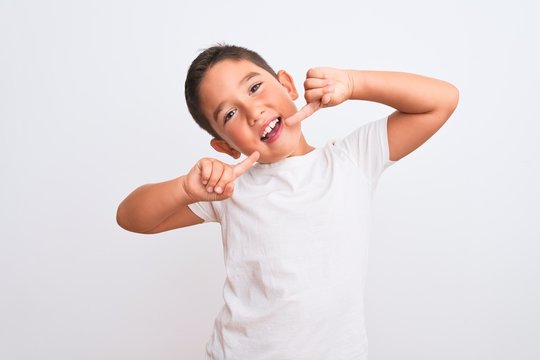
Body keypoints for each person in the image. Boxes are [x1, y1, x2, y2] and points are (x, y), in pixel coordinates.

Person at [116, 44, 459, 359]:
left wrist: (354, 83)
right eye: (230, 115)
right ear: (225, 147)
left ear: (288, 85)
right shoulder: (228, 190)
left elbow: (441, 100)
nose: (253, 111)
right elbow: (132, 217)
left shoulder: (351, 160)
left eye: (254, 87)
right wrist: (185, 189)